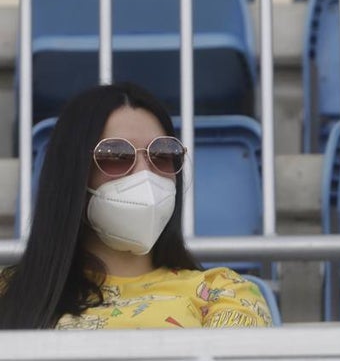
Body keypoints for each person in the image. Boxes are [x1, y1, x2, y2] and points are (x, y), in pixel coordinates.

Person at [0, 82, 272, 329]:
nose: (145, 173)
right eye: (116, 155)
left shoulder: (224, 292)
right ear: (73, 173)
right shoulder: (10, 293)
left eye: (163, 154)